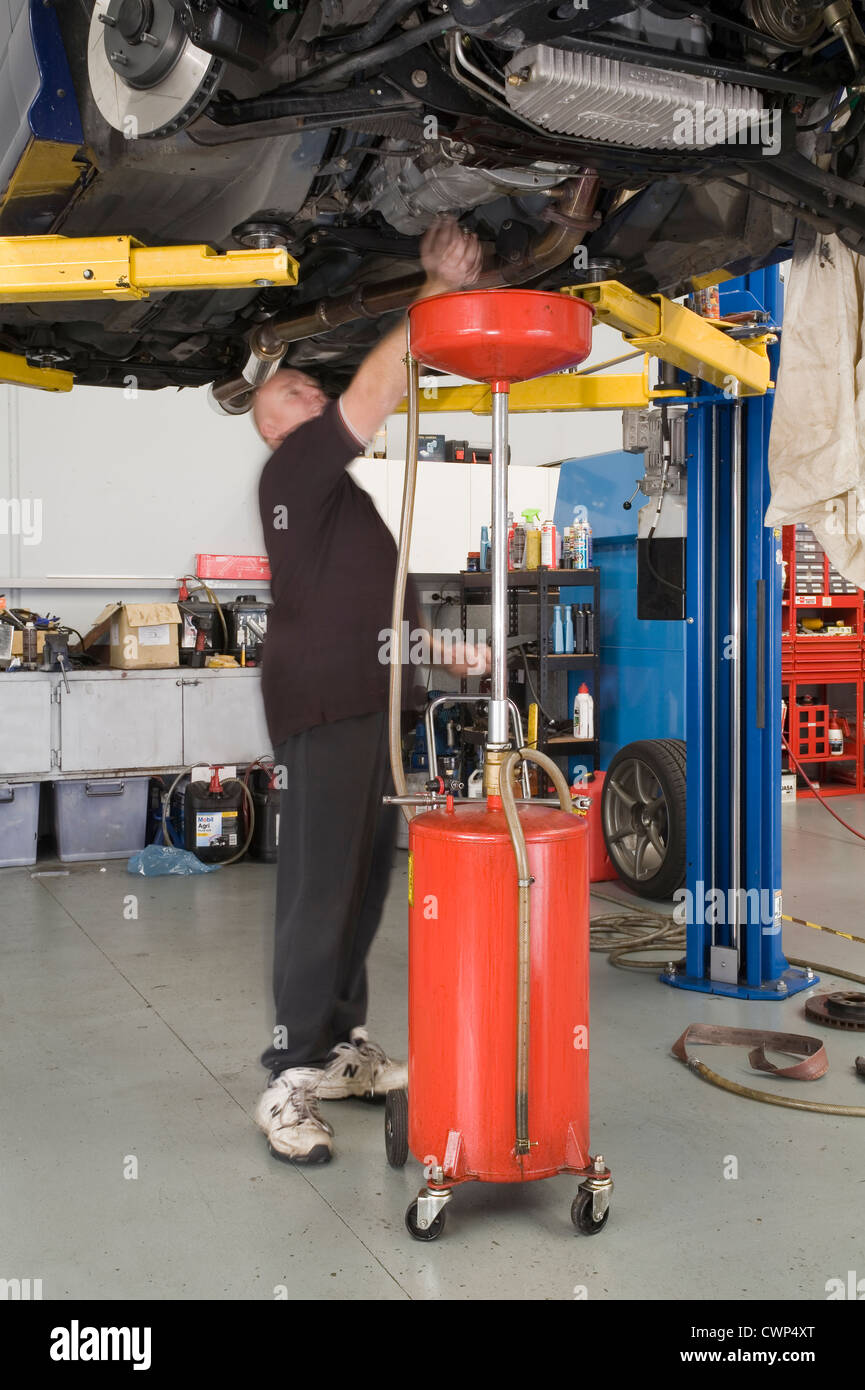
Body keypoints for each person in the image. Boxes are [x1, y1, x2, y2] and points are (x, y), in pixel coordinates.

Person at [252, 217, 485, 1164]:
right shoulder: (296, 465)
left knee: (362, 882)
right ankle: (289, 1075)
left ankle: (340, 1047)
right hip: (328, 709)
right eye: (293, 387)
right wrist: (432, 289)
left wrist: (438, 647)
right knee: (318, 890)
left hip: (374, 707)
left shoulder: (341, 503)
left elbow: (373, 598)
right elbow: (376, 387)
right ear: (275, 421)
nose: (310, 387)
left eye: (309, 381)